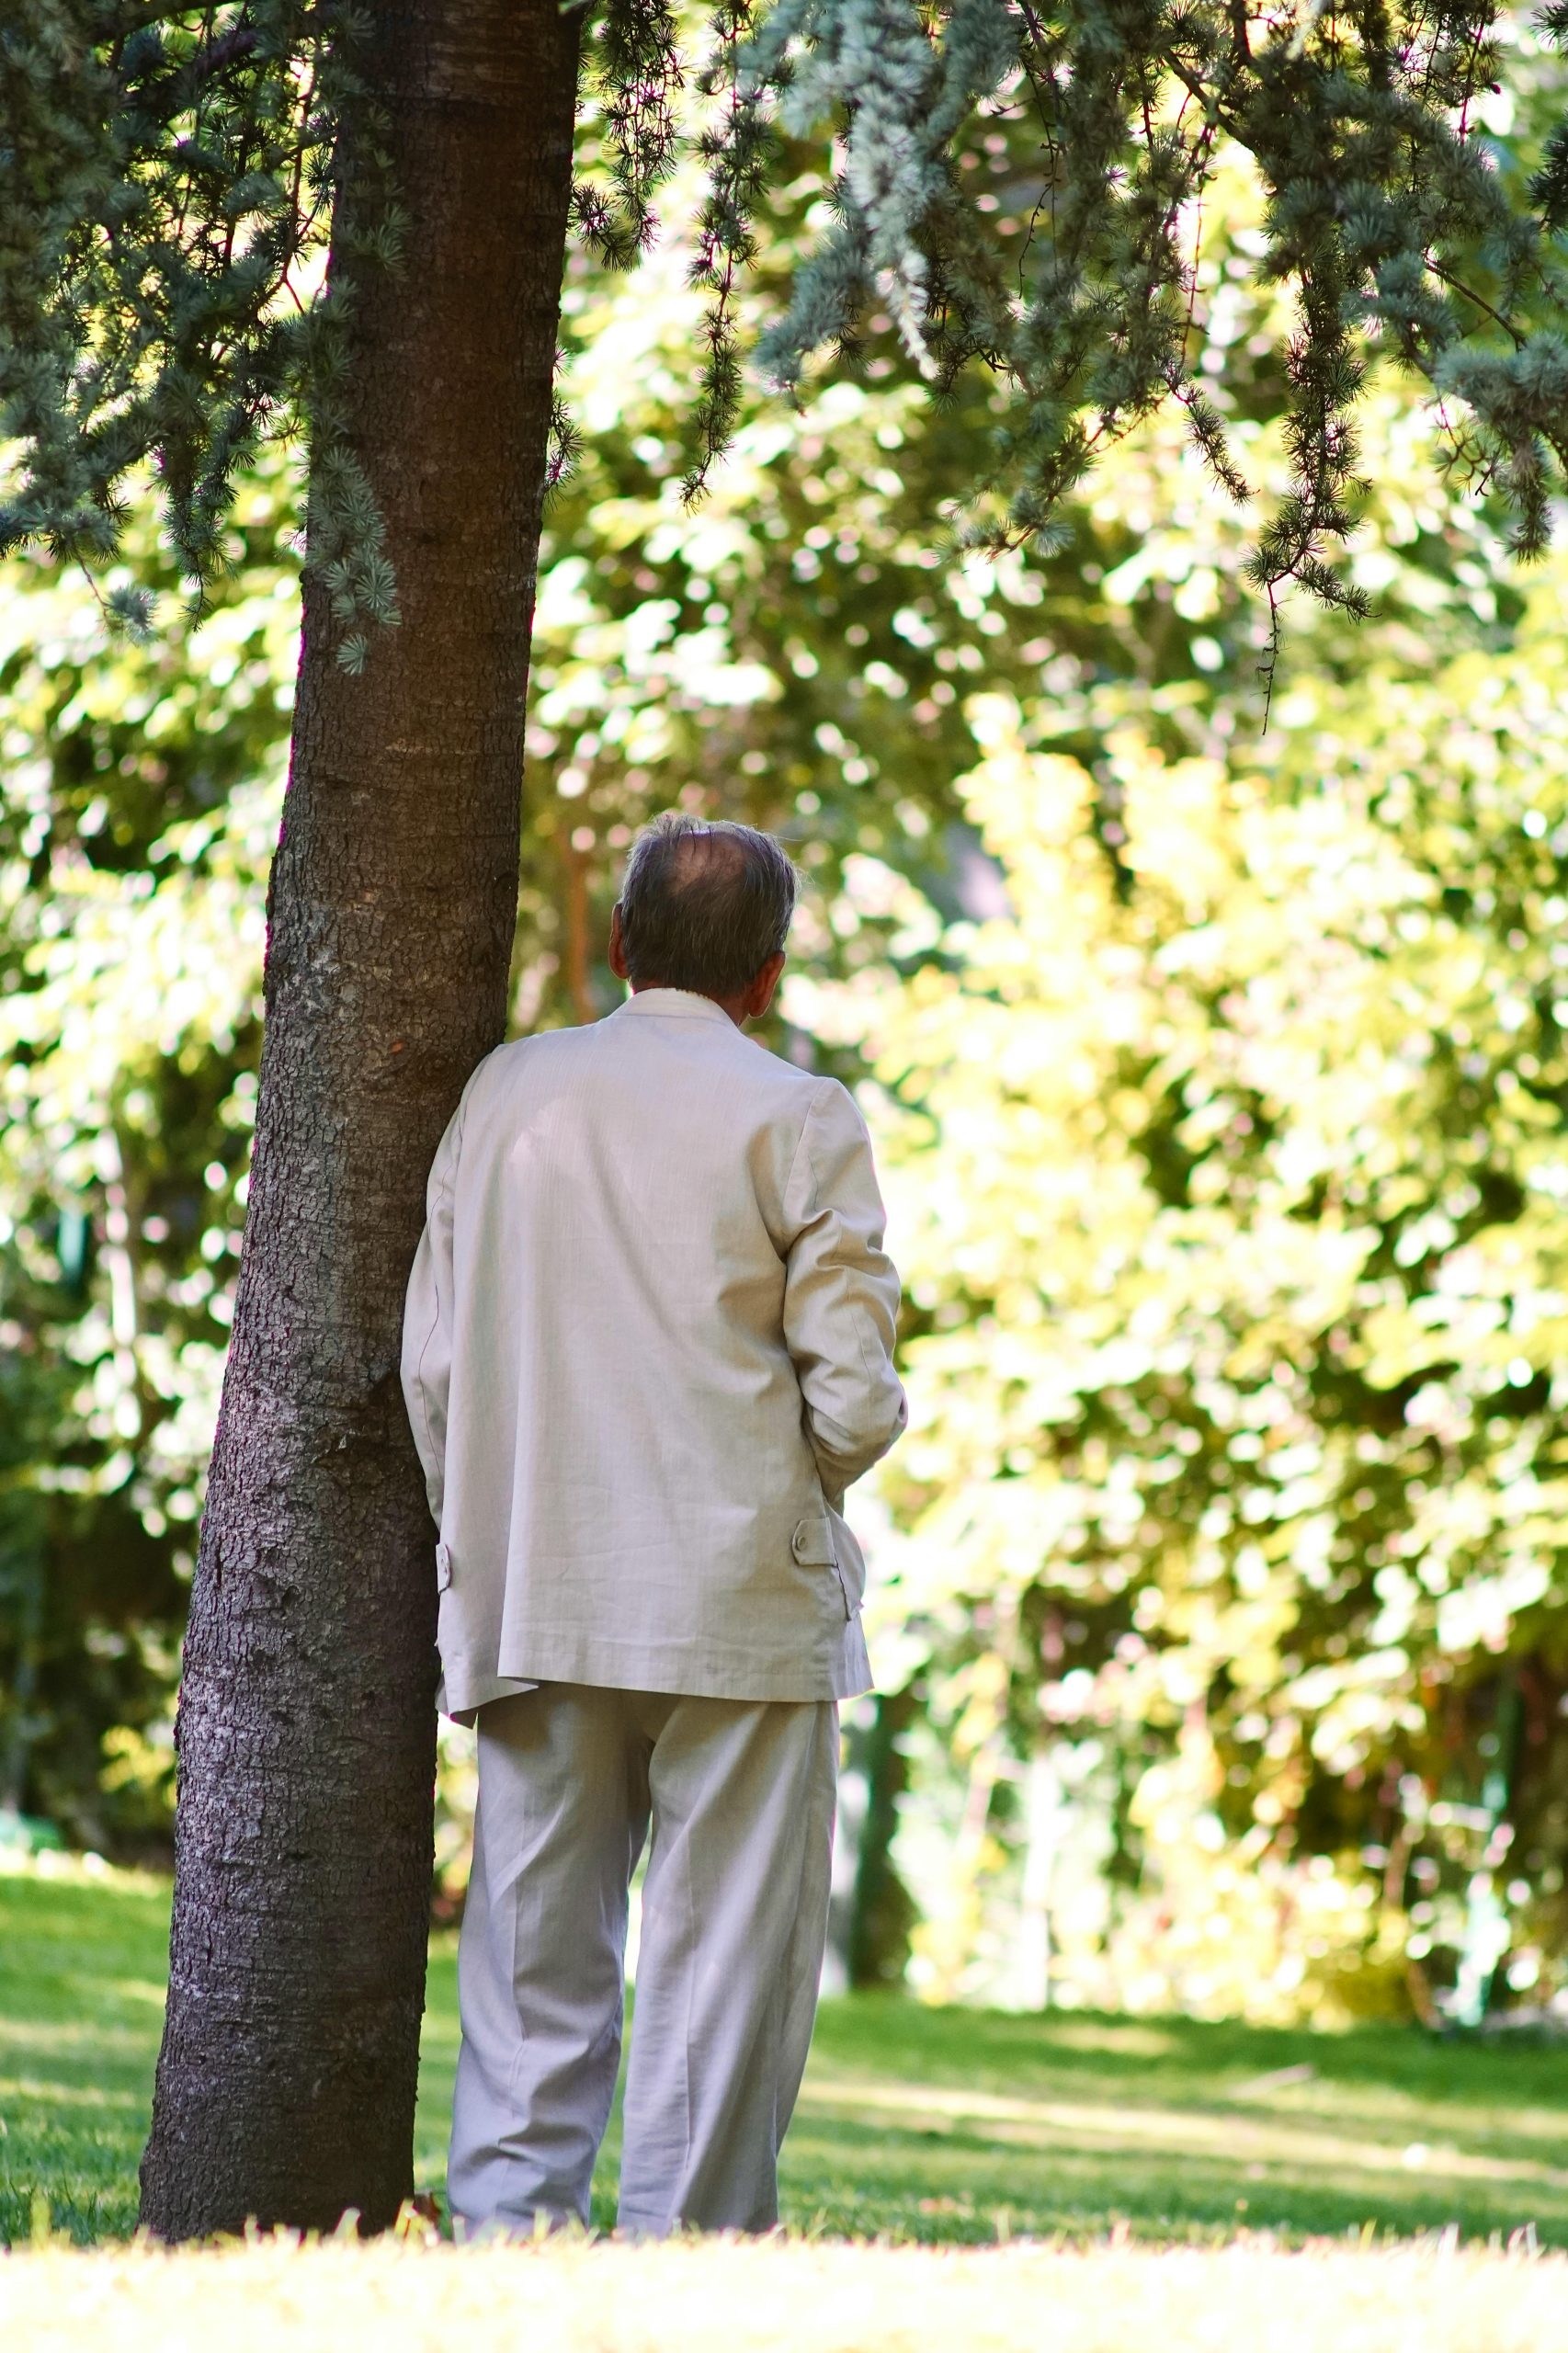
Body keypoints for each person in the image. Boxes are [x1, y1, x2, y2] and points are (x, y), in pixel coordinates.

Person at [400, 812, 906, 2237]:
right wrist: (788, 1492)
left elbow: (433, 1366)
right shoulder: (799, 1114)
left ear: (620, 948)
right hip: (737, 1595)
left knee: (529, 1961)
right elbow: (855, 1397)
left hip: (535, 1583)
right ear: (767, 971)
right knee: (720, 1970)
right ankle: (678, 2274)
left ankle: (508, 2251)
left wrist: (485, 1521)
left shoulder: (506, 1092)